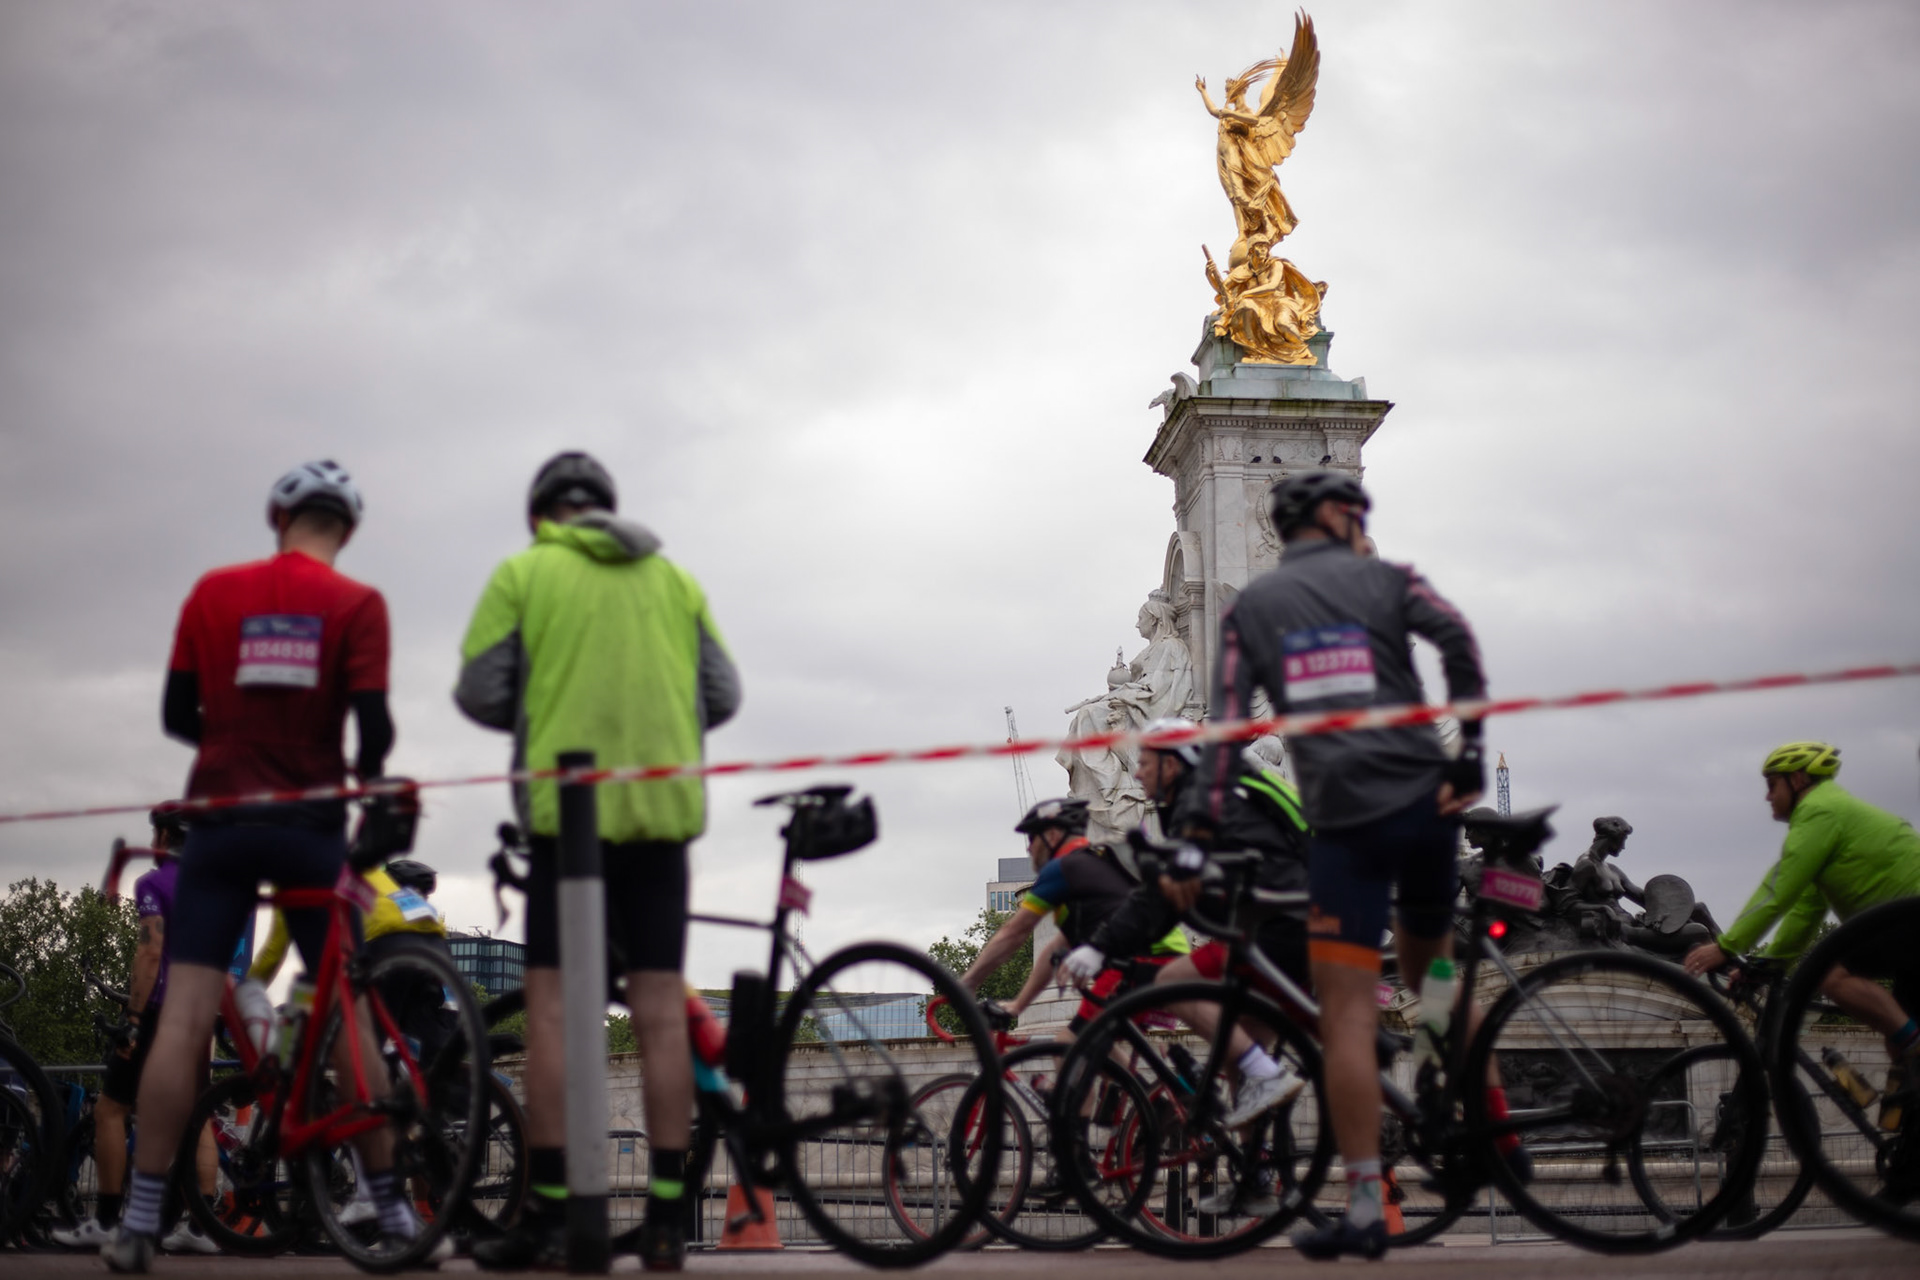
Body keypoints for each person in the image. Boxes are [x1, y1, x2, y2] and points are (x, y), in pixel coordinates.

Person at [104, 461, 420, 1273]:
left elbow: (177, 714)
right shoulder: (359, 605)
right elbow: (376, 734)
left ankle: (140, 1218)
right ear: (346, 528)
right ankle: (387, 1206)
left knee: (186, 1019)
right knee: (344, 1003)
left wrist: (231, 737)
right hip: (312, 823)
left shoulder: (214, 593)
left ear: (277, 516)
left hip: (219, 816)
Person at [1175, 470, 1493, 1261]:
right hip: (1424, 797)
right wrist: (1471, 755)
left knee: (1347, 1014)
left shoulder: (1258, 609)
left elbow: (1223, 728)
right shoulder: (1385, 581)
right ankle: (1498, 1120)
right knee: (1437, 976)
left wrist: (1191, 835)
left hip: (1347, 818)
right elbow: (1458, 643)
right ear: (1341, 519)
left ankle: (1360, 1199)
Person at [456, 451, 740, 1272]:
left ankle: (547, 1212)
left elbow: (480, 691)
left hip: (565, 819)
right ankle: (662, 1218)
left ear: (542, 515)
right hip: (661, 817)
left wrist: (555, 698)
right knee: (658, 1012)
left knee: (552, 1011)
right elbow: (721, 695)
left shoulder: (525, 572)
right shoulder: (675, 583)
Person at [1063, 718, 1311, 1140]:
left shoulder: (1200, 805)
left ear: (1172, 766)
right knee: (1241, 1063)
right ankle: (1261, 1176)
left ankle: (1265, 1084)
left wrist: (1099, 948)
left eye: (1145, 761)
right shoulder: (1216, 796)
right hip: (1286, 926)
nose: (1137, 771)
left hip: (1274, 930)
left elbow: (1162, 895)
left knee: (1171, 981)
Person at [1684, 742, 1920, 1064]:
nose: (1767, 796)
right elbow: (1807, 909)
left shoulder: (1820, 810)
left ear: (1797, 781)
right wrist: (1767, 964)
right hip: (1904, 924)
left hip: (1908, 918)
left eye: (1772, 785)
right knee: (1900, 1051)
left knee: (1832, 976)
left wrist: (1726, 947)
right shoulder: (1831, 814)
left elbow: (1777, 888)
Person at [53, 812, 220, 1255]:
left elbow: (150, 952)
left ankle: (107, 1220)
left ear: (165, 836)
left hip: (160, 1007)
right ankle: (202, 1228)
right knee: (195, 1115)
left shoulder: (153, 883)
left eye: (155, 833)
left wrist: (133, 1016)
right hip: (198, 1008)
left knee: (111, 1109)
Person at [956, 798, 1189, 1034]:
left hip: (1143, 961)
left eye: (1032, 838)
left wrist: (969, 982)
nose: (1029, 848)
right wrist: (1019, 1005)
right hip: (1166, 955)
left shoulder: (1062, 868)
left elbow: (1014, 932)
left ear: (1054, 835)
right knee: (1098, 1047)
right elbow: (1055, 949)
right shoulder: (1094, 861)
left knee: (1071, 1043)